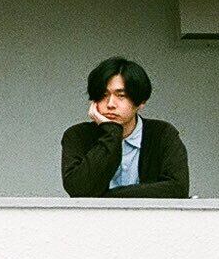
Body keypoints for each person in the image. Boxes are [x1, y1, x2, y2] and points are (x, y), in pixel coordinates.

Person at [60, 57, 189, 198]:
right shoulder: (77, 135)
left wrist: (108, 198)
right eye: (103, 95)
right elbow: (78, 189)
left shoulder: (162, 133)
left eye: (121, 95)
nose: (110, 104)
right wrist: (111, 133)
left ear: (141, 102)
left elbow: (177, 188)